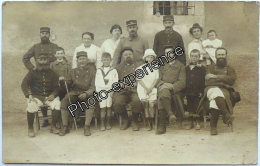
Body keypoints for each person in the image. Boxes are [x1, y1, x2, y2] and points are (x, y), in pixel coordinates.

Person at [22, 27, 59, 127]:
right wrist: (32, 68)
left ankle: (56, 122)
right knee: (40, 92)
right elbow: (25, 58)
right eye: (42, 33)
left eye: (46, 33)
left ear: (49, 34)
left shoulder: (55, 46)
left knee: (53, 93)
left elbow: (61, 56)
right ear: (40, 35)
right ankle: (45, 120)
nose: (44, 35)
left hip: (51, 74)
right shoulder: (36, 47)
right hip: (38, 73)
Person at [21, 52, 61, 137]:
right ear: (37, 61)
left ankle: (53, 126)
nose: (43, 62)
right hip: (37, 97)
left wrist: (53, 95)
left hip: (49, 96)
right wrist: (29, 95)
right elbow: (24, 84)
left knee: (57, 104)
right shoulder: (32, 72)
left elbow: (57, 87)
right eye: (41, 60)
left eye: (45, 60)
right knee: (31, 105)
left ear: (48, 61)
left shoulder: (52, 73)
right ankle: (30, 128)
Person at [59, 51, 96, 136]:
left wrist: (87, 93)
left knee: (91, 102)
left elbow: (93, 87)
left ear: (87, 60)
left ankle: (87, 126)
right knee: (64, 101)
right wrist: (63, 82)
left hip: (87, 92)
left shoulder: (92, 71)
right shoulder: (73, 71)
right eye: (80, 59)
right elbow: (67, 84)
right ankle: (65, 126)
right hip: (75, 92)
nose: (82, 61)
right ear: (77, 61)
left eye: (84, 59)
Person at [204, 47, 236, 135]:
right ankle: (226, 114)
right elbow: (208, 81)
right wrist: (224, 82)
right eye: (219, 55)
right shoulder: (210, 67)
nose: (221, 56)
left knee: (215, 100)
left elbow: (231, 80)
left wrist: (215, 77)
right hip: (210, 89)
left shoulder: (230, 68)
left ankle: (213, 127)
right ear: (215, 56)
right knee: (215, 91)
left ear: (226, 56)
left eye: (223, 54)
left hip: (224, 91)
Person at [155, 45, 186, 135]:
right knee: (163, 92)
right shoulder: (162, 66)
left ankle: (162, 125)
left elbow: (182, 82)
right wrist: (163, 84)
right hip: (163, 88)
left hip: (175, 91)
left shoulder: (180, 66)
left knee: (162, 94)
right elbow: (158, 80)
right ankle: (170, 114)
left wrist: (170, 86)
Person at [113, 47, 144, 131]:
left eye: (130, 54)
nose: (128, 56)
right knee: (118, 103)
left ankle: (134, 120)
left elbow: (143, 79)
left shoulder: (139, 67)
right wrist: (120, 84)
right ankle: (125, 119)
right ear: (122, 57)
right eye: (125, 55)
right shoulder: (117, 68)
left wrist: (137, 83)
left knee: (138, 101)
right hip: (122, 91)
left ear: (133, 56)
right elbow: (114, 81)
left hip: (134, 90)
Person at [136, 49, 159, 131]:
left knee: (151, 104)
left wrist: (151, 88)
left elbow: (156, 79)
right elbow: (139, 80)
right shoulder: (140, 68)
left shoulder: (155, 68)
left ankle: (152, 122)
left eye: (151, 57)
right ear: (145, 58)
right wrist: (146, 88)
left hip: (152, 88)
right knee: (145, 104)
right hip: (143, 88)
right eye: (148, 57)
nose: (149, 59)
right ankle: (148, 123)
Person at [95, 52, 118, 131]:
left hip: (109, 90)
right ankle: (102, 123)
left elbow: (115, 81)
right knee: (102, 107)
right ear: (102, 60)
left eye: (107, 60)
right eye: (104, 60)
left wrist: (112, 91)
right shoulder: (99, 70)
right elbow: (96, 82)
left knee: (109, 107)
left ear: (110, 60)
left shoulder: (113, 70)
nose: (106, 61)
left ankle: (108, 122)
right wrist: (98, 91)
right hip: (101, 91)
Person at [185, 49, 206, 130]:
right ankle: (190, 122)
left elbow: (203, 80)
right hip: (189, 91)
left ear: (199, 57)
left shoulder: (202, 68)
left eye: (196, 56)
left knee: (197, 106)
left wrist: (201, 91)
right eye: (192, 56)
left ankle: (197, 122)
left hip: (197, 91)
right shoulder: (187, 68)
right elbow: (185, 80)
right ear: (190, 57)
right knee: (190, 106)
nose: (194, 58)